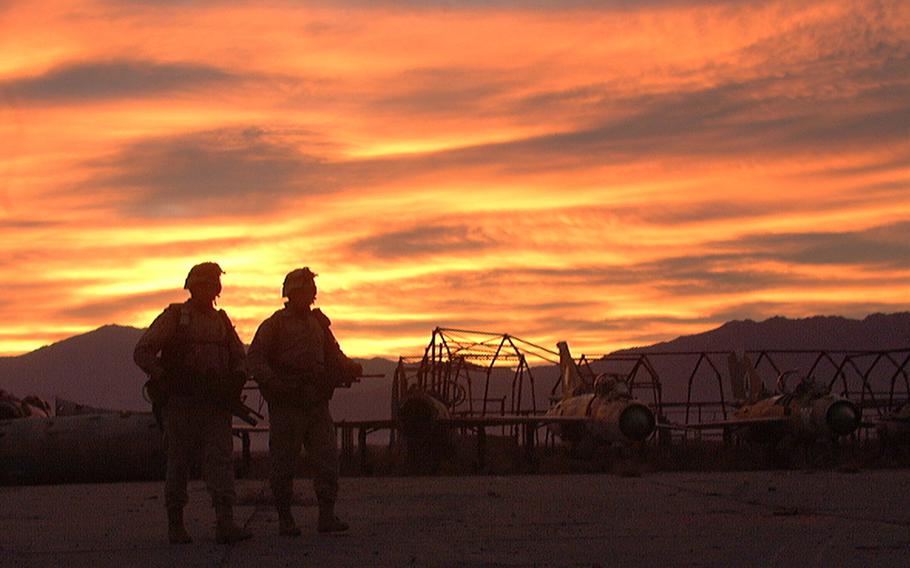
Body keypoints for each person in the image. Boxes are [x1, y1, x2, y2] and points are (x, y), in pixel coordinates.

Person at [133, 262, 252, 545]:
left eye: (211, 285)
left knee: (221, 462)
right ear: (191, 287)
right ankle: (176, 525)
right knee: (178, 463)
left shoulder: (221, 321)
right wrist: (166, 377)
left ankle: (225, 523)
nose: (207, 290)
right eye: (202, 285)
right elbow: (142, 351)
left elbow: (240, 357)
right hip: (182, 405)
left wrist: (236, 378)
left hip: (214, 406)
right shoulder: (175, 317)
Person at [247, 267, 361, 536]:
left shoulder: (318, 324)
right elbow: (255, 358)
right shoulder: (275, 324)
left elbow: (333, 353)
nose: (307, 296)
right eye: (302, 291)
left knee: (326, 458)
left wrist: (349, 367)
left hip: (316, 402)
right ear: (290, 293)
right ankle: (286, 520)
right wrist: (274, 382)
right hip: (287, 404)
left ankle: (327, 515)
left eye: (310, 291)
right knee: (284, 462)